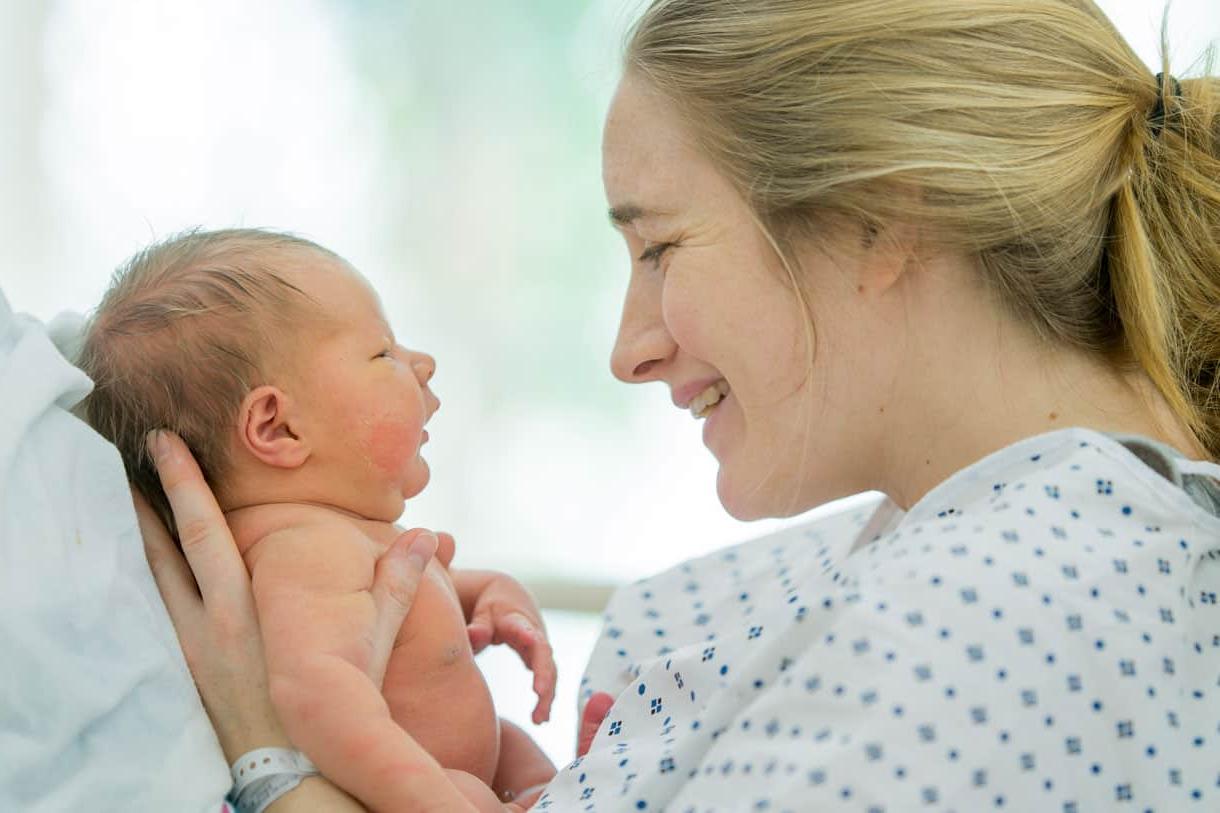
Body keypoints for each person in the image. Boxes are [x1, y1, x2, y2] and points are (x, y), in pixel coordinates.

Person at [10, 0, 1218, 810]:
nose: (628, 352)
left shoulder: (1001, 624)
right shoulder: (963, 558)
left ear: (879, 216)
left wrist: (268, 761)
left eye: (658, 249)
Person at [76, 229, 558, 811]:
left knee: (518, 753)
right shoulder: (303, 551)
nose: (423, 363)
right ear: (277, 428)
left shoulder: (330, 537)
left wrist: (487, 594)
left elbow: (397, 613)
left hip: (465, 772)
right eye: (383, 353)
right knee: (479, 786)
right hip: (416, 794)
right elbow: (318, 697)